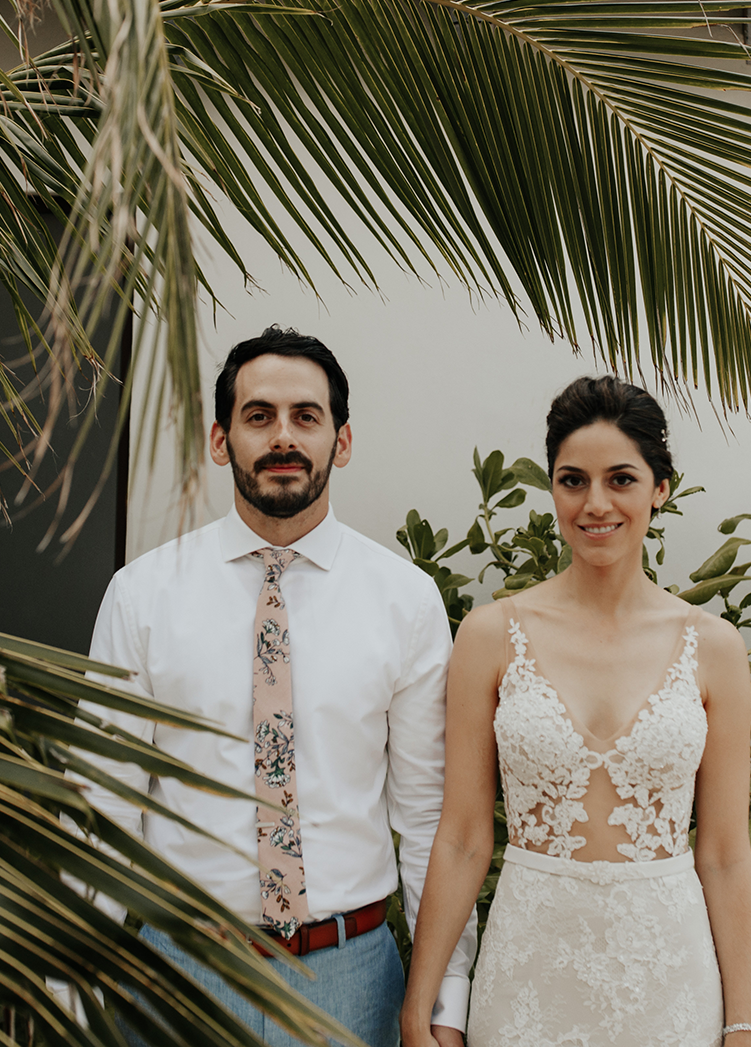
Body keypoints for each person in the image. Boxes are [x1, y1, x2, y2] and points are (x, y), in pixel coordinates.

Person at [86, 326, 475, 1047]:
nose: (283, 436)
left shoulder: (406, 600)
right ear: (220, 438)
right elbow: (105, 801)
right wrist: (71, 986)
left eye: (307, 415)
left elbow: (427, 820)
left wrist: (447, 997)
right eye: (258, 416)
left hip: (353, 978)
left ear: (343, 440)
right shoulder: (142, 596)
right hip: (181, 972)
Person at [399, 376, 751, 1047]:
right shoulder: (488, 635)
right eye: (573, 480)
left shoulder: (712, 647)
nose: (595, 503)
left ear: (660, 488)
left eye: (621, 478)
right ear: (554, 489)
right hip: (529, 975)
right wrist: (419, 1007)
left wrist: (743, 1024)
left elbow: (723, 853)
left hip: (669, 982)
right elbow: (463, 836)